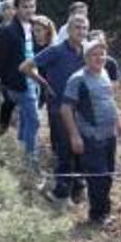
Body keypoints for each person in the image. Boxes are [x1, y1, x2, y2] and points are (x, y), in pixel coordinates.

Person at [23, 14, 90, 206]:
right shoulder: (56, 50)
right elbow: (26, 67)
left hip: (82, 109)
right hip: (59, 108)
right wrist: (45, 84)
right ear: (68, 30)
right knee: (64, 151)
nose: (81, 32)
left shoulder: (87, 51)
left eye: (85, 28)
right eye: (77, 28)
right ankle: (61, 193)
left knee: (81, 149)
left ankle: (79, 186)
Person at [61, 38, 121, 225]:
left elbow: (110, 99)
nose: (99, 58)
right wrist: (74, 135)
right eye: (94, 54)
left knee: (108, 174)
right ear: (86, 58)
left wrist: (118, 120)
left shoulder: (104, 72)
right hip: (91, 137)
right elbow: (65, 109)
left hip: (109, 134)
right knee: (98, 177)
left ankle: (104, 211)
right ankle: (97, 216)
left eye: (102, 54)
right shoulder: (77, 79)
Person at [0, 0, 42, 161]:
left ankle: (22, 150)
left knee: (27, 118)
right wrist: (3, 81)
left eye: (31, 6)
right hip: (19, 82)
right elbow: (1, 59)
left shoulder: (34, 26)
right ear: (16, 9)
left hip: (33, 79)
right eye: (25, 7)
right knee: (34, 120)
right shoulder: (8, 31)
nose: (29, 10)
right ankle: (30, 161)